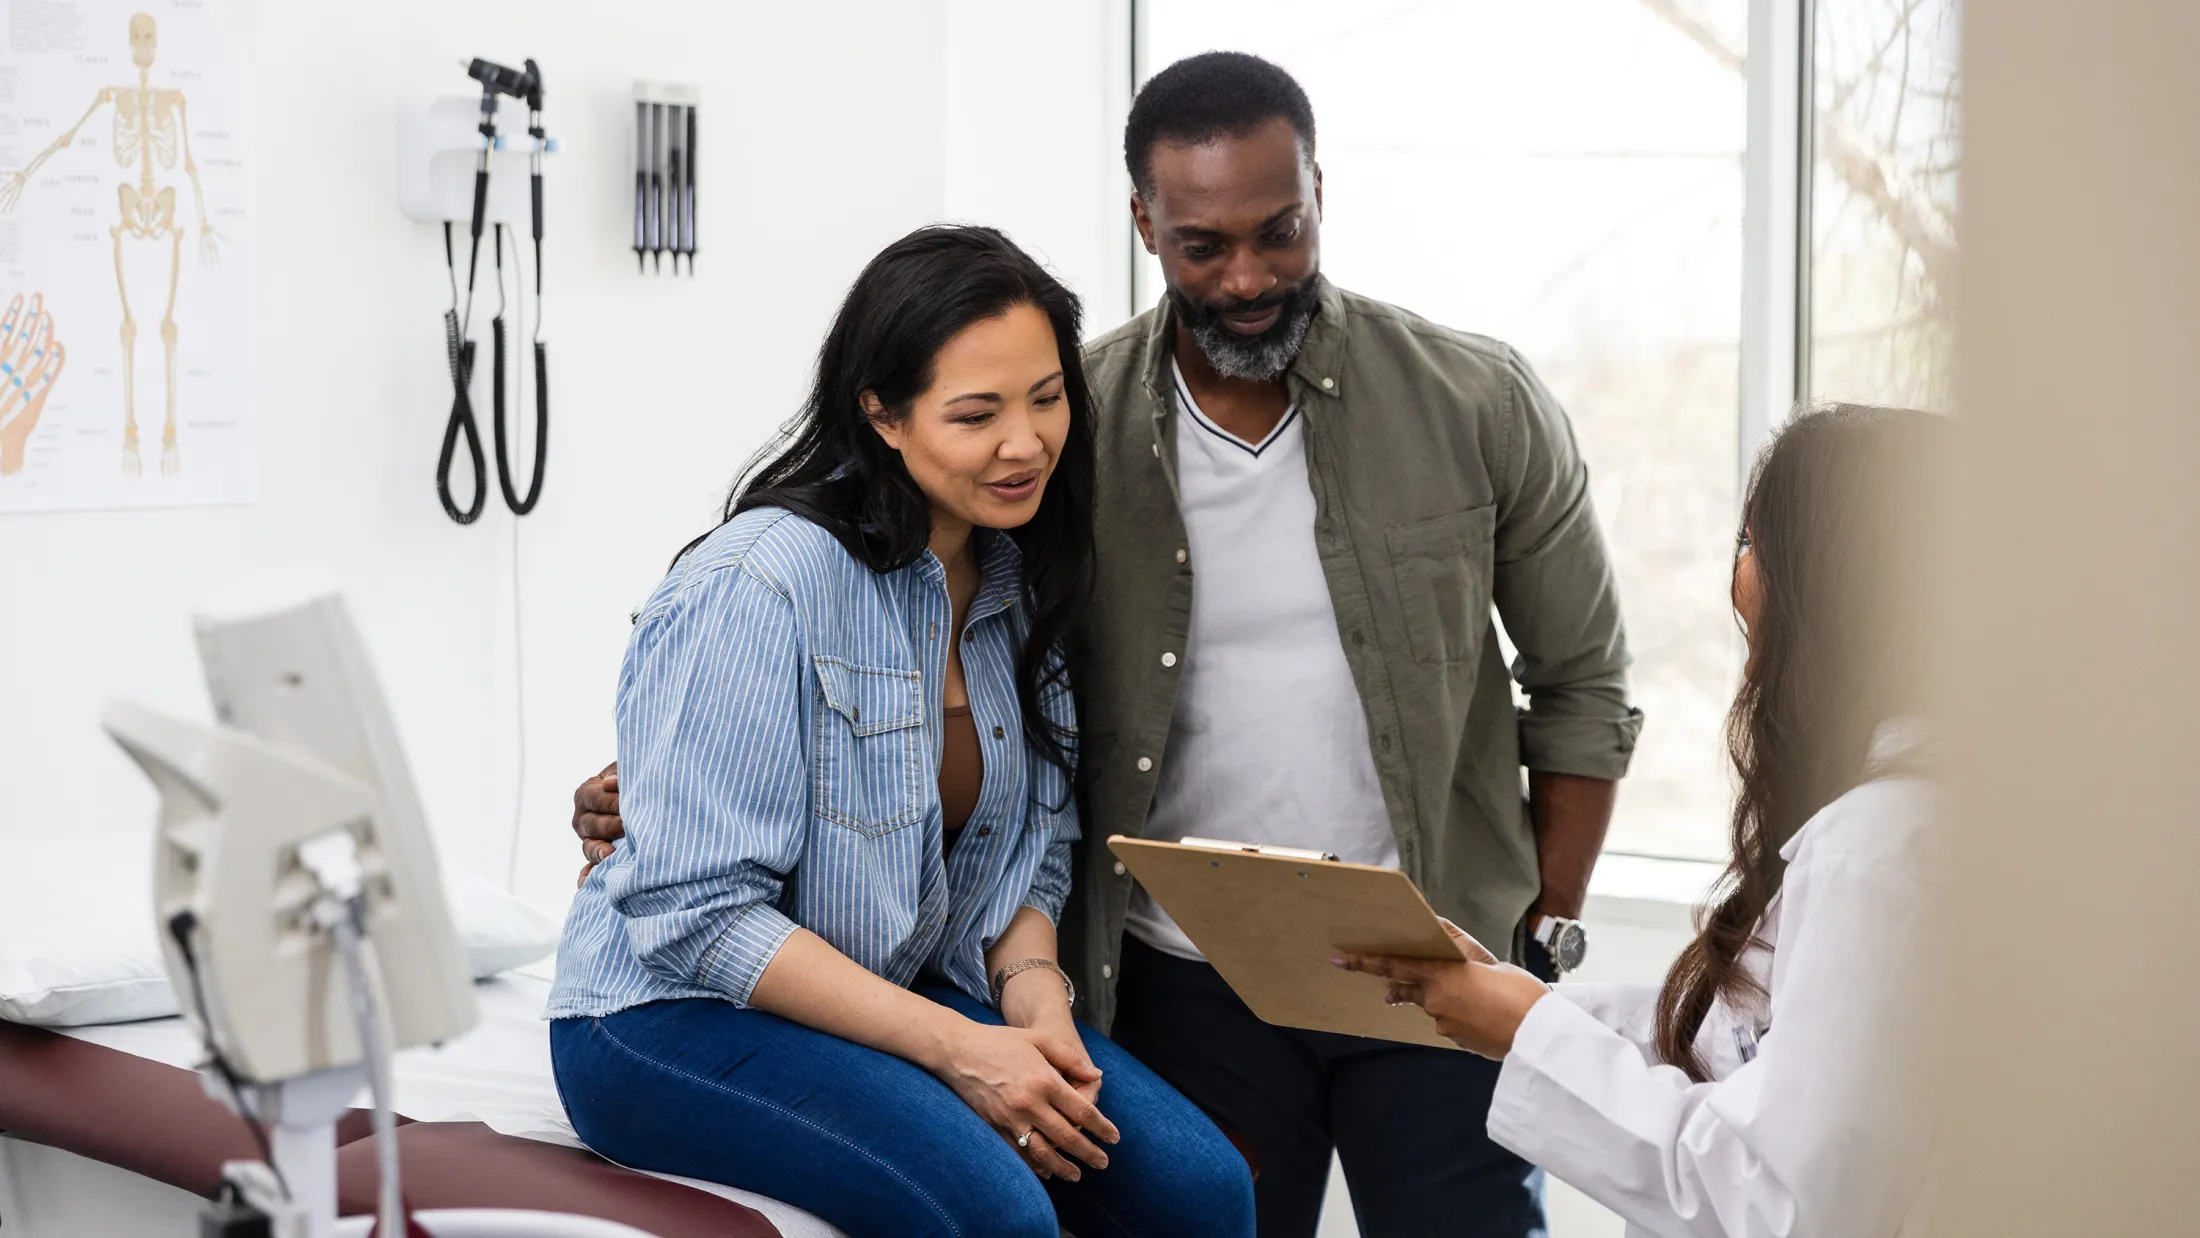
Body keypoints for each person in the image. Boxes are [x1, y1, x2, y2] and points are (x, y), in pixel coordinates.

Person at [576, 51, 1638, 1237]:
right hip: (1182, 965)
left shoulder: (1468, 401)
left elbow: (1580, 682)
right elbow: (735, 800)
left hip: (1430, 945)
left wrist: (1541, 930)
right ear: (1143, 221)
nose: (1246, 275)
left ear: (1321, 193)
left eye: (1278, 230)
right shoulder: (1048, 444)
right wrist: (653, 791)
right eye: (1202, 244)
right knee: (1173, 1200)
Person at [546, 225, 1255, 1238]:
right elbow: (694, 910)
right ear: (880, 413)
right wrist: (954, 1047)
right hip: (665, 1017)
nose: (1024, 443)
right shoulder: (757, 584)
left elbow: (1029, 859)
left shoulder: (1022, 579)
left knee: (1199, 1187)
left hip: (883, 993)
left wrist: (1035, 1002)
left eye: (1046, 398)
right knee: (996, 1212)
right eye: (976, 414)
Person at [1338, 405, 1949, 1238]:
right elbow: (1755, 1040)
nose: (1739, 575)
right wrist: (1527, 1009)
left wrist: (1530, 1029)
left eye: (1753, 541)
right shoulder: (1917, 814)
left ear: (1825, 586)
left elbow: (1780, 1205)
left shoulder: (1873, 850)